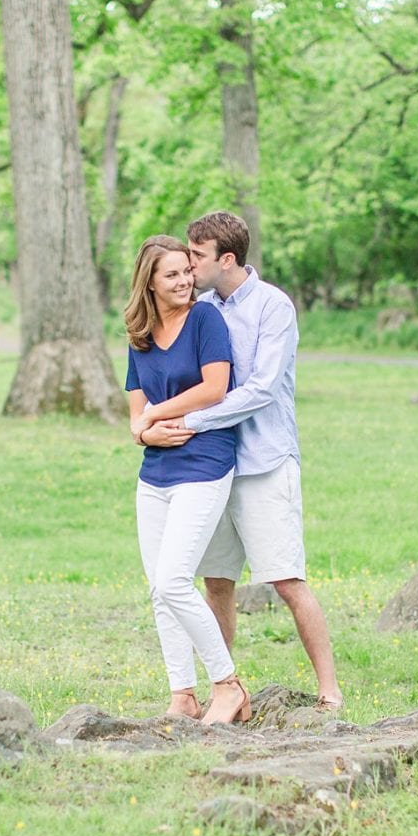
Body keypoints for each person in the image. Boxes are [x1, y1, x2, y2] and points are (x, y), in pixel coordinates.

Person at [139, 211, 343, 712]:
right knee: (216, 581)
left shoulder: (274, 307)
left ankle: (330, 691)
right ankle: (220, 690)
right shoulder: (202, 308)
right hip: (210, 468)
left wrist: (190, 422)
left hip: (264, 460)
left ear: (226, 260)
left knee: (287, 579)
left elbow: (261, 389)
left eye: (198, 255)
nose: (188, 263)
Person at [124, 235, 253, 725]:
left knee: (175, 579)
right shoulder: (140, 333)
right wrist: (145, 433)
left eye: (186, 271)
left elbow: (215, 388)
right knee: (159, 589)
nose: (184, 281)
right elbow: (136, 417)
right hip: (155, 473)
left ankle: (228, 684)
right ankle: (182, 693)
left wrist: (153, 417)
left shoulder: (205, 319)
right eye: (171, 275)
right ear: (150, 283)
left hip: (205, 463)